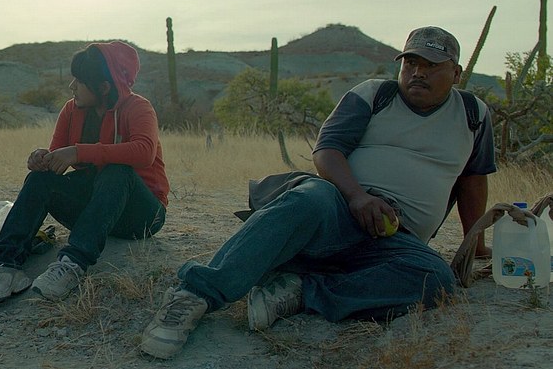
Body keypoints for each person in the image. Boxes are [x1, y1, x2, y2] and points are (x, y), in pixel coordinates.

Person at [140, 26, 497, 359]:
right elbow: (327, 150)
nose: (418, 73)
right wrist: (357, 197)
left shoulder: (472, 115)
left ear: (456, 73)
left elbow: (473, 179)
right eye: (411, 63)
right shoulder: (375, 95)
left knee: (437, 280)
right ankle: (195, 295)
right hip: (342, 209)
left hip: (396, 240)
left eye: (432, 66)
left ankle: (302, 291)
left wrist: (476, 243)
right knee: (309, 197)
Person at [0, 41, 169, 306]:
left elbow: (144, 152)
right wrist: (42, 159)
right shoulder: (72, 109)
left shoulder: (138, 107)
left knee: (117, 171)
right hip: (96, 210)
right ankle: (5, 266)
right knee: (41, 180)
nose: (72, 86)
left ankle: (72, 264)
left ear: (104, 87)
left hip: (141, 215)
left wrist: (78, 152)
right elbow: (58, 158)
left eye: (79, 81)